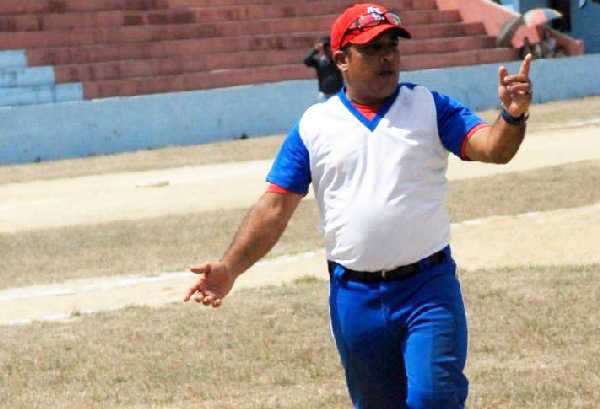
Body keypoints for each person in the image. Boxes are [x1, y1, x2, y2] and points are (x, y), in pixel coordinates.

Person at [183, 3, 533, 409]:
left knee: (432, 400)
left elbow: (491, 149)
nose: (387, 55)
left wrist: (511, 117)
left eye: (392, 46)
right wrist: (229, 268)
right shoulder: (315, 125)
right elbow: (274, 208)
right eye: (371, 48)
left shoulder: (429, 107)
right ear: (341, 60)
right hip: (354, 298)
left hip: (427, 290)